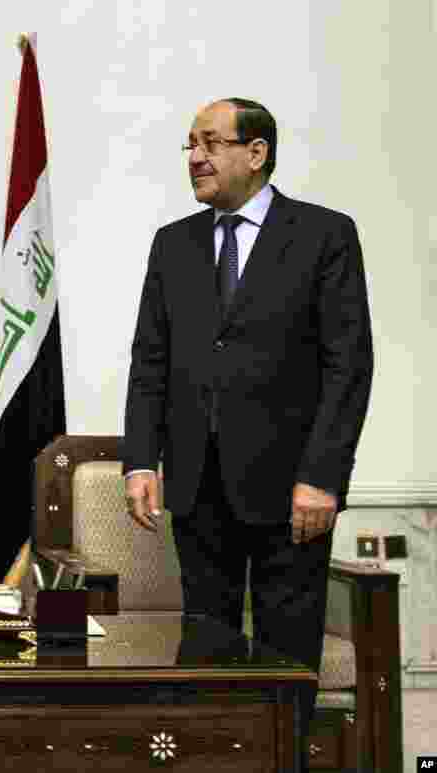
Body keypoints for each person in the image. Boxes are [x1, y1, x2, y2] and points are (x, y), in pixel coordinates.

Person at [122, 98, 373, 731]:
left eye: (209, 142)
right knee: (206, 653)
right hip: (197, 484)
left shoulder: (324, 235)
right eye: (189, 145)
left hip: (293, 489)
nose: (195, 158)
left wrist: (322, 476)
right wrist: (138, 461)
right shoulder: (172, 243)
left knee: (287, 652)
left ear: (255, 153)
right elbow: (149, 359)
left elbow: (349, 366)